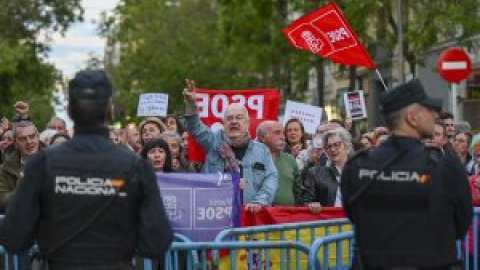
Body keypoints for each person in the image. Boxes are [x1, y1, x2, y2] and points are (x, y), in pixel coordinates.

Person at [0, 70, 173, 270]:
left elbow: (14, 238)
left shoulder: (41, 164)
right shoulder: (136, 166)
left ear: (70, 111)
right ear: (110, 110)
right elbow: (157, 242)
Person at [341, 79, 472, 269]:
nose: (436, 115)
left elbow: (354, 214)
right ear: (412, 118)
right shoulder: (445, 166)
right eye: (429, 110)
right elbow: (460, 226)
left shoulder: (356, 166)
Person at [183, 79, 278, 213]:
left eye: (239, 118)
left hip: (250, 217)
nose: (234, 122)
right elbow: (195, 128)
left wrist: (260, 202)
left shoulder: (261, 150)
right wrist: (192, 104)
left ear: (247, 124)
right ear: (224, 123)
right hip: (215, 213)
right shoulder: (212, 142)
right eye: (230, 118)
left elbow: (271, 178)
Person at [298, 128, 352, 213]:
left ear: (348, 147)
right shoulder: (315, 173)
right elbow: (304, 201)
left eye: (336, 145)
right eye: (328, 146)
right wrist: (311, 205)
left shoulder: (358, 172)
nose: (332, 149)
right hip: (329, 224)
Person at [256, 120, 300, 206]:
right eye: (277, 133)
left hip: (286, 216)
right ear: (262, 137)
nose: (283, 137)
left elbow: (298, 191)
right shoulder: (252, 158)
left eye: (283, 133)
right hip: (259, 216)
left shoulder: (290, 159)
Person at [0, 121, 40, 212]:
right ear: (15, 143)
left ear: (38, 137)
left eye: (32, 136)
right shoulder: (6, 169)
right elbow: (2, 201)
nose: (29, 142)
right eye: (23, 139)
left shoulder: (53, 161)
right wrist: (23, 189)